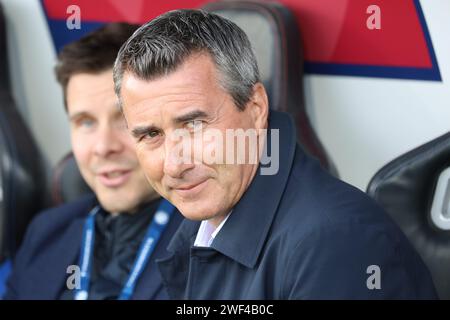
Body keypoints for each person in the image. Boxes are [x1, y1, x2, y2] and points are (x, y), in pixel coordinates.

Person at [113, 10, 438, 299]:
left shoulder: (337, 244)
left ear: (255, 109)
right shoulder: (206, 214)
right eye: (151, 134)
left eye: (195, 124)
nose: (174, 164)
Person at [4, 23, 182, 300]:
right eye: (85, 122)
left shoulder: (214, 243)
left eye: (124, 119)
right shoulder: (46, 233)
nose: (103, 147)